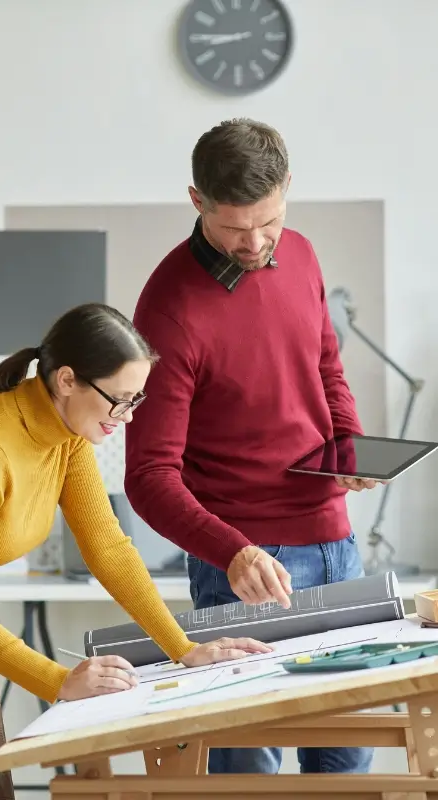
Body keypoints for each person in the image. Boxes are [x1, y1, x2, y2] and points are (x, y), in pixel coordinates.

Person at [0, 302, 272, 800]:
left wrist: (184, 649)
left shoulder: (69, 438)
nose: (128, 418)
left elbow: (108, 548)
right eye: (120, 400)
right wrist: (60, 680)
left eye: (137, 400)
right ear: (67, 380)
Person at [125, 119, 377, 776]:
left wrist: (347, 442)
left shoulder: (302, 252)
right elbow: (149, 476)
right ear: (196, 200)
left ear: (287, 188)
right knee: (248, 778)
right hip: (244, 566)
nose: (258, 242)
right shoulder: (167, 310)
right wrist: (231, 553)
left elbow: (325, 362)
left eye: (269, 221)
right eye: (237, 228)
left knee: (345, 761)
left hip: (336, 543)